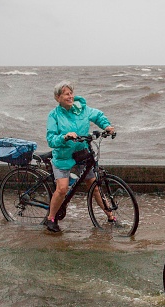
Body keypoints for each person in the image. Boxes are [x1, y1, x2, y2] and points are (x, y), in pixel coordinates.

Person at [45, 81, 115, 233]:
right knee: (62, 188)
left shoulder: (81, 108)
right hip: (63, 156)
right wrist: (64, 137)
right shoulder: (54, 115)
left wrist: (106, 127)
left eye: (71, 93)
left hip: (81, 154)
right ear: (58, 98)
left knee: (94, 186)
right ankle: (51, 218)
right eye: (66, 94)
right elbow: (51, 139)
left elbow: (97, 116)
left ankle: (110, 215)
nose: (70, 96)